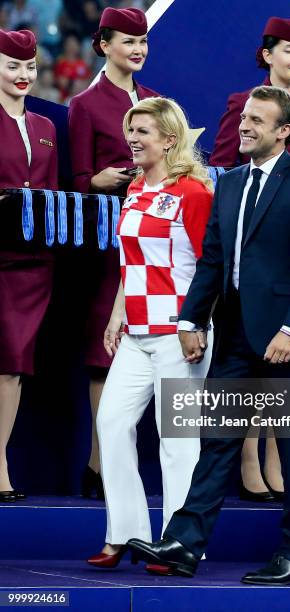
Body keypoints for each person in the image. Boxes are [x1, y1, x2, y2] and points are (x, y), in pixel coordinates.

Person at [127, 86, 290, 585]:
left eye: (257, 121)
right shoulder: (231, 182)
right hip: (237, 335)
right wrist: (190, 320)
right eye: (244, 117)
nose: (244, 126)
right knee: (217, 441)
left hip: (288, 342)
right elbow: (213, 260)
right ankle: (184, 543)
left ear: (284, 131)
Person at [210, 16, 290, 503]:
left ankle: (271, 460)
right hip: (251, 256)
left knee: (283, 371)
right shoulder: (243, 107)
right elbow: (226, 169)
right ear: (267, 55)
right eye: (289, 49)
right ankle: (247, 459)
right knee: (246, 364)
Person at [87, 97, 214, 568]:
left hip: (179, 335)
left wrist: (194, 324)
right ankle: (125, 534)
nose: (132, 139)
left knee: (178, 442)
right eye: (131, 130)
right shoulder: (136, 188)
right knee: (112, 424)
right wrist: (116, 313)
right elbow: (132, 263)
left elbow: (211, 268)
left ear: (170, 139)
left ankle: (178, 544)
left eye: (142, 131)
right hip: (137, 332)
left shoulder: (195, 193)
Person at [68, 6, 160, 500]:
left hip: (155, 242)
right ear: (104, 46)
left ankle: (122, 468)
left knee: (151, 352)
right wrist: (99, 182)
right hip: (110, 245)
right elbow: (78, 181)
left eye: (143, 41)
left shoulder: (155, 102)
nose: (138, 50)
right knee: (107, 354)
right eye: (128, 41)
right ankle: (98, 466)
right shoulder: (86, 103)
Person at [0, 29, 58, 502]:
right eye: (13, 64)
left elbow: (54, 198)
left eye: (30, 66)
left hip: (34, 262)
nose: (23, 75)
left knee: (13, 365)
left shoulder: (46, 126)